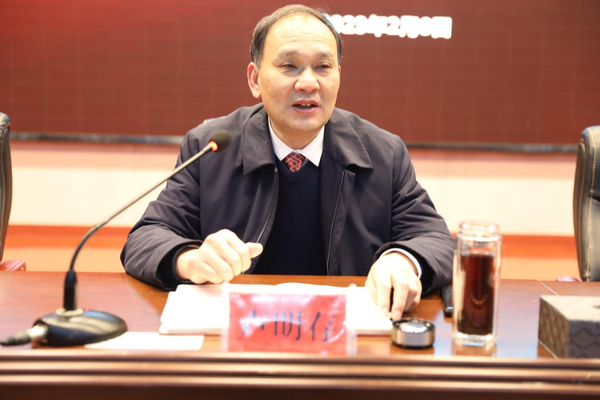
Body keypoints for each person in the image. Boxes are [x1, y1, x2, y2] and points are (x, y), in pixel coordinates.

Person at [121, 4, 454, 321]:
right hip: (239, 335)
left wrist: (403, 260)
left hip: (347, 337)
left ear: (338, 76)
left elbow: (437, 241)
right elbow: (146, 237)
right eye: (289, 65)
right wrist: (189, 259)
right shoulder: (210, 148)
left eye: (323, 67)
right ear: (254, 79)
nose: (308, 83)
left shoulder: (383, 153)